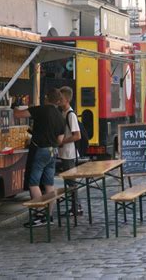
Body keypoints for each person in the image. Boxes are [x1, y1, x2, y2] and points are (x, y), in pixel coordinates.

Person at [14, 88, 65, 227]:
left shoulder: (41, 109)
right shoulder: (60, 116)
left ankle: (39, 215)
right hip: (53, 151)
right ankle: (49, 215)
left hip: (40, 150)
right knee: (49, 184)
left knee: (33, 183)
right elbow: (60, 140)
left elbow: (19, 115)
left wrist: (14, 105)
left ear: (47, 98)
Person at [57, 86, 83, 217]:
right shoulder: (63, 112)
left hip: (69, 153)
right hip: (64, 153)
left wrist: (62, 141)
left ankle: (76, 207)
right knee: (69, 182)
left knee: (71, 182)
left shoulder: (70, 114)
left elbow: (77, 135)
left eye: (60, 98)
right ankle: (75, 206)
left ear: (67, 99)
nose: (58, 100)